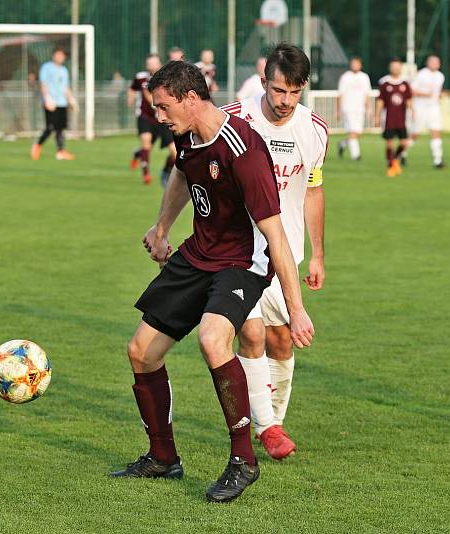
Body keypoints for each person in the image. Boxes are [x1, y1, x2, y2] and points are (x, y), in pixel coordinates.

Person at [109, 60, 315, 503]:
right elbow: (184, 173)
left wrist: (296, 309)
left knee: (213, 338)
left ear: (190, 98)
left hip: (242, 259)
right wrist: (161, 228)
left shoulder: (244, 151)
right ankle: (162, 457)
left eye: (163, 107)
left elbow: (275, 236)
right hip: (199, 252)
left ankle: (244, 460)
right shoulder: (185, 136)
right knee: (141, 352)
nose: (158, 116)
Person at [222, 43, 327, 460]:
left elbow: (314, 191)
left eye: (295, 92)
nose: (285, 102)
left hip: (286, 251)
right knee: (250, 334)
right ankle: (266, 428)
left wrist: (317, 253)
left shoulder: (314, 130)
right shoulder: (233, 119)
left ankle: (273, 422)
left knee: (282, 341)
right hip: (236, 251)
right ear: (263, 81)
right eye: (278, 90)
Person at [128, 54, 178, 186]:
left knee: (174, 151)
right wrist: (130, 98)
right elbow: (133, 89)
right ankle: (146, 175)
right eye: (149, 63)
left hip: (162, 119)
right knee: (146, 144)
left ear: (159, 64)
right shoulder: (141, 78)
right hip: (145, 117)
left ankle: (166, 170)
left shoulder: (166, 79)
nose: (151, 66)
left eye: (154, 63)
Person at [31, 48, 78, 161]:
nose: (59, 57)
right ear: (53, 56)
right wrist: (47, 98)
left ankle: (61, 151)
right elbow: (43, 84)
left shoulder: (64, 70)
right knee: (50, 127)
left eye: (61, 55)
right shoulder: (47, 67)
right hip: (51, 102)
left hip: (62, 102)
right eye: (57, 55)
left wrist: (71, 99)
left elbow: (65, 87)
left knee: (60, 128)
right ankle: (37, 144)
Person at [376, 58, 412, 177]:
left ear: (401, 68)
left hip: (402, 118)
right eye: (393, 67)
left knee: (404, 143)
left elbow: (408, 99)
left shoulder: (405, 83)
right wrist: (377, 114)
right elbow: (380, 100)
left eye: (397, 67)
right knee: (389, 143)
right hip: (388, 118)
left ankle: (394, 160)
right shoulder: (385, 83)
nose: (395, 69)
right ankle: (391, 166)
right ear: (390, 68)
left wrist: (413, 111)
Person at [408, 55, 445, 168]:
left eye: (436, 62)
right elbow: (412, 91)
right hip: (420, 107)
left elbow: (438, 91)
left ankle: (437, 160)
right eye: (432, 62)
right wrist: (425, 94)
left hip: (434, 108)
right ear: (428, 63)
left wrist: (440, 95)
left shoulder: (440, 76)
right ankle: (402, 153)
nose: (435, 64)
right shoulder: (421, 74)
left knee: (436, 132)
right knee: (415, 134)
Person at [336, 56, 371, 161]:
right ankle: (356, 155)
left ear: (360, 65)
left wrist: (368, 108)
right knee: (352, 131)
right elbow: (340, 94)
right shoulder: (345, 77)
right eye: (353, 63)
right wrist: (338, 110)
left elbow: (366, 94)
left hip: (360, 109)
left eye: (357, 63)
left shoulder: (364, 77)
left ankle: (342, 144)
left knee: (357, 132)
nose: (355, 65)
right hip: (348, 108)